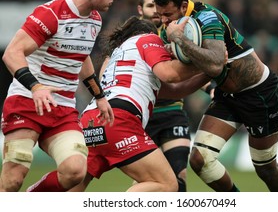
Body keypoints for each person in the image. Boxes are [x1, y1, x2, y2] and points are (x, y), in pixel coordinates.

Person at [153, 0, 278, 192]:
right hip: (228, 96)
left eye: (168, 15)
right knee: (200, 160)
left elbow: (216, 64)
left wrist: (180, 40)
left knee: (265, 168)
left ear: (182, 6)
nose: (164, 22)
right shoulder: (174, 26)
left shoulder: (207, 17)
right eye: (159, 15)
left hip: (260, 94)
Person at [0, 0, 116, 192]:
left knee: (75, 171)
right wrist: (36, 87)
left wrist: (99, 96)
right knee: (13, 179)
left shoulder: (94, 20)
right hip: (27, 101)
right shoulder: (51, 13)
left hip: (63, 108)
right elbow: (11, 53)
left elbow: (82, 57)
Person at [69, 16, 210, 192]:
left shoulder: (118, 55)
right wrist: (208, 62)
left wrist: (208, 73)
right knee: (167, 184)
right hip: (118, 119)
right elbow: (170, 74)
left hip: (91, 120)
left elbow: (175, 91)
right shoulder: (148, 39)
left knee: (74, 188)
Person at [136, 0, 191, 192]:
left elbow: (183, 69)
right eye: (150, 6)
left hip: (172, 112)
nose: (155, 11)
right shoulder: (131, 37)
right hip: (143, 116)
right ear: (140, 9)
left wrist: (209, 88)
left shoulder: (172, 33)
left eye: (157, 7)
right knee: (150, 183)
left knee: (180, 176)